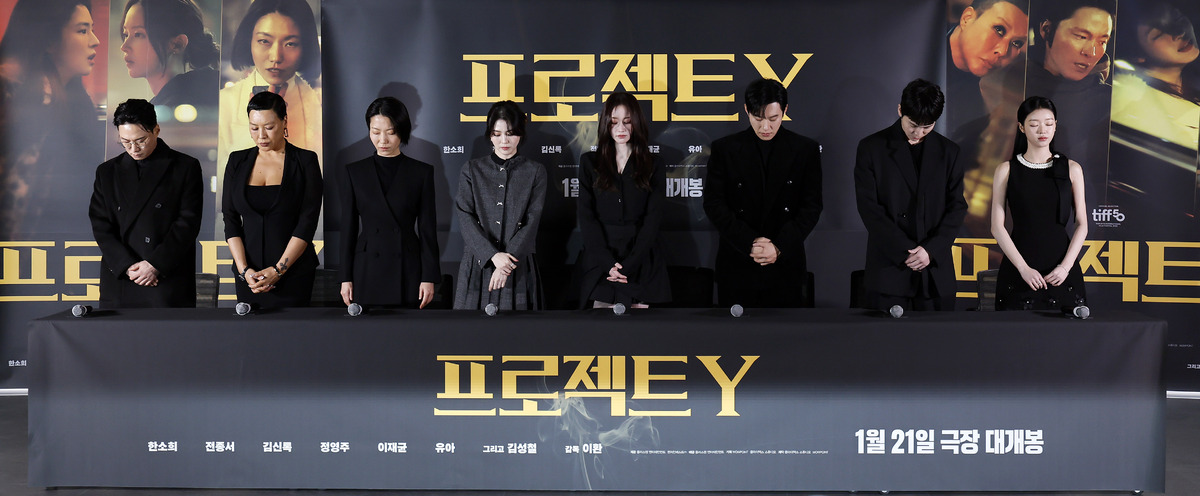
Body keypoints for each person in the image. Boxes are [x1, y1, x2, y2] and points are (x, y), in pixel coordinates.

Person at [702, 78, 822, 308]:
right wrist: (750, 242)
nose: (765, 127)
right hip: (738, 263)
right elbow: (714, 204)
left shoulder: (804, 149)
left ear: (785, 110)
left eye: (773, 119)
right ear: (746, 110)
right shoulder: (725, 149)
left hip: (785, 265)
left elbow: (812, 207)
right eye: (758, 119)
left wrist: (778, 246)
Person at [854, 80, 967, 312]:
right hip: (889, 272)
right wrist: (905, 251)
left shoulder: (949, 152)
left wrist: (930, 250)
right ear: (900, 110)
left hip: (935, 275)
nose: (918, 133)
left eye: (928, 126)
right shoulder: (872, 148)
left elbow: (956, 207)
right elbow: (869, 208)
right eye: (913, 125)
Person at [0, 0, 104, 237]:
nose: (95, 40)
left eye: (92, 29)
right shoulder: (24, 98)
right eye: (82, 30)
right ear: (48, 38)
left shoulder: (72, 101)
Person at [88, 99, 203, 308]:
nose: (134, 148)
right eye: (125, 141)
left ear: (156, 130)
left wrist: (154, 265)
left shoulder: (185, 167)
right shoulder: (107, 172)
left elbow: (187, 223)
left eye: (141, 140)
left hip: (166, 278)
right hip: (122, 278)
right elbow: (101, 224)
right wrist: (127, 265)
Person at [222, 91, 322, 308]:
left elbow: (307, 222)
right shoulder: (237, 161)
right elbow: (230, 219)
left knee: (292, 329)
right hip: (249, 276)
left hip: (294, 272)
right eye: (254, 128)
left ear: (284, 121)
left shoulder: (305, 161)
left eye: (269, 127)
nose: (261, 136)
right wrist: (244, 270)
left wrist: (278, 270)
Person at [339, 97, 439, 309]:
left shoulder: (421, 172)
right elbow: (348, 229)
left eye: (391, 132)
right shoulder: (354, 172)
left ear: (403, 131)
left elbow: (427, 230)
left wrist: (429, 276)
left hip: (408, 268)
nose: (382, 140)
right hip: (367, 268)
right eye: (375, 132)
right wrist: (345, 277)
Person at [991, 96, 1088, 311]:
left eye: (1049, 123)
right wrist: (1023, 268)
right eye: (1034, 125)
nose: (1042, 130)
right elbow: (997, 227)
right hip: (1019, 267)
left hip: (1061, 269)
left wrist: (1065, 267)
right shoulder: (1006, 170)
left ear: (1055, 126)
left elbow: (1082, 224)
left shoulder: (1071, 169)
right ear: (1022, 127)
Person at [576, 92, 671, 308]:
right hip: (600, 260)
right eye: (614, 122)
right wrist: (608, 264)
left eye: (627, 121)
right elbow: (587, 217)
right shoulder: (590, 162)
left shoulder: (654, 164)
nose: (621, 128)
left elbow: (653, 219)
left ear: (636, 123)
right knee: (599, 325)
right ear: (606, 124)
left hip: (641, 259)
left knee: (640, 327)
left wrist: (629, 264)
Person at [218, 0, 321, 191]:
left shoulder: (318, 104)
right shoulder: (225, 102)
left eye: (290, 44)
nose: (275, 57)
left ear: (305, 47)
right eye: (264, 41)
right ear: (248, 41)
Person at [453, 100, 546, 310]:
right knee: (470, 328)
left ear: (521, 134)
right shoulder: (472, 169)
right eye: (497, 134)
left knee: (519, 328)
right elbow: (465, 215)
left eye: (510, 133)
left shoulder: (535, 171)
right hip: (478, 263)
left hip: (518, 265)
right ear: (489, 135)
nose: (504, 140)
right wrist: (492, 255)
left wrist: (506, 264)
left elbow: (532, 220)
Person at [1022, 0, 1115, 203]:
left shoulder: (1108, 102)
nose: (1091, 52)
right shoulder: (1006, 83)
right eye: (1081, 37)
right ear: (1046, 29)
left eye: (1102, 41)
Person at [1111, 2, 1200, 150]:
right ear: (1138, 55)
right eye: (1159, 34)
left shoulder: (1193, 83)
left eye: (1178, 19)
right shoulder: (1135, 105)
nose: (1178, 32)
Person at [118, 0, 220, 107]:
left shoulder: (180, 107)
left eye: (138, 34)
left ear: (177, 44)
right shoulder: (175, 101)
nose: (124, 47)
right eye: (126, 34)